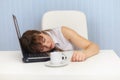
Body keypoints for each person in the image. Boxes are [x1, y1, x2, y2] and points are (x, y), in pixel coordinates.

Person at [20, 26, 99, 62]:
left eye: (44, 40)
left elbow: (94, 46)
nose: (47, 46)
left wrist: (83, 54)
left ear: (40, 32)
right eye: (42, 48)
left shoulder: (64, 32)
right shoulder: (37, 48)